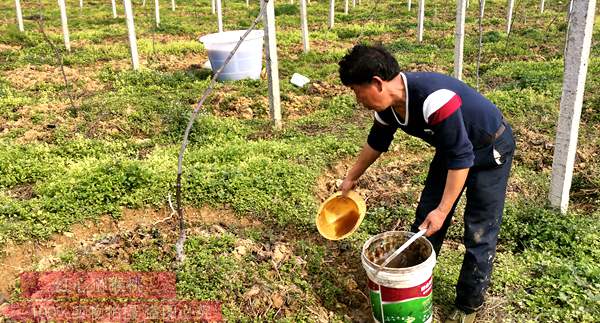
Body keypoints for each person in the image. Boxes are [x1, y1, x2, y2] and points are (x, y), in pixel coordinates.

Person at [338, 44, 515, 323]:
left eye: (358, 91)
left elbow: (462, 158)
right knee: (425, 221)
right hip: (453, 151)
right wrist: (352, 176)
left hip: (489, 147)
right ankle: (412, 284)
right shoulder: (388, 107)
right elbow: (377, 142)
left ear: (377, 83)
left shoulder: (434, 99)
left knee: (479, 229)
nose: (358, 99)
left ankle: (468, 305)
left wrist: (443, 210)